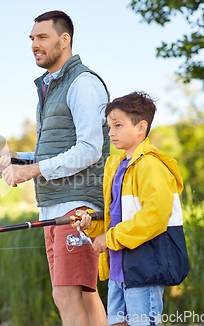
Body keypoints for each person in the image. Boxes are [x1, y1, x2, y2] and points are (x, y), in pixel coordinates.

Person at [0, 10, 109, 326]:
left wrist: (30, 171)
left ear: (64, 39)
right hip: (54, 206)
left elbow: (89, 149)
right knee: (80, 292)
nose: (34, 44)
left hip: (78, 205)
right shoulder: (49, 87)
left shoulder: (82, 83)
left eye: (42, 37)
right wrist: (17, 158)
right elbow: (54, 151)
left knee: (69, 293)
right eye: (32, 39)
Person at [73, 91, 190, 326]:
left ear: (141, 127)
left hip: (145, 268)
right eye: (109, 125)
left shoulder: (150, 165)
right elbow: (116, 215)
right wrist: (93, 225)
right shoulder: (117, 166)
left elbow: (154, 217)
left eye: (118, 125)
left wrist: (111, 238)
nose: (111, 132)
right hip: (119, 270)